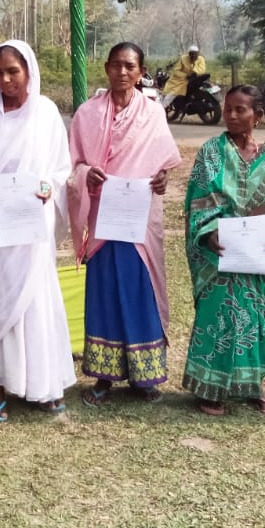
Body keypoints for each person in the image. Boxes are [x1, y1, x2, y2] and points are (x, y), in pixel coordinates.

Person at [0, 40, 75, 422]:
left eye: (13, 71)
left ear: (29, 71)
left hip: (32, 223)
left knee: (37, 300)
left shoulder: (46, 112)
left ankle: (43, 384)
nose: (6, 80)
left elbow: (60, 169)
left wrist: (47, 187)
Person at [67, 43, 182, 405]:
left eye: (130, 66)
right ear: (106, 68)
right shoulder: (86, 114)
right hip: (103, 220)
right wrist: (87, 174)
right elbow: (71, 167)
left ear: (141, 71)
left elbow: (161, 166)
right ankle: (104, 376)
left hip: (139, 223)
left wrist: (162, 179)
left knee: (139, 290)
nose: (122, 72)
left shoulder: (152, 113)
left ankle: (144, 377)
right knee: (104, 294)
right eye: (116, 65)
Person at [183, 85, 265, 416]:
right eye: (228, 109)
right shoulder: (211, 153)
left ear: (258, 116)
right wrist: (208, 233)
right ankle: (211, 386)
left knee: (256, 319)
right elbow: (196, 202)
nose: (231, 115)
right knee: (217, 318)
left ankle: (253, 383)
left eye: (240, 110)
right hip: (219, 253)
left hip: (256, 253)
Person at [161, 43, 207, 112]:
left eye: (195, 54)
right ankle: (161, 108)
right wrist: (185, 75)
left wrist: (194, 69)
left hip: (194, 79)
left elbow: (202, 70)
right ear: (189, 54)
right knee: (170, 93)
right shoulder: (183, 58)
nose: (193, 56)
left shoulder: (201, 59)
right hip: (179, 80)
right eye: (192, 54)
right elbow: (176, 71)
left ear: (198, 54)